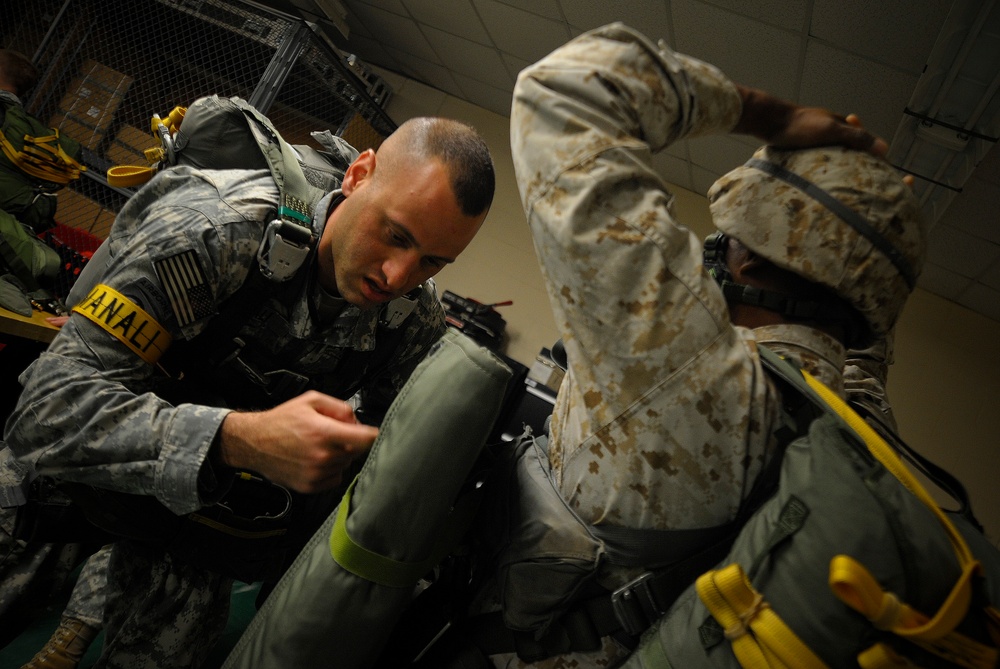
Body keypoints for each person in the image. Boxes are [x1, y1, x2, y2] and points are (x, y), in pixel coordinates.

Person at [477, 22, 926, 667]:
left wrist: (775, 117)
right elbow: (858, 322)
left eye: (730, 237)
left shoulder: (687, 360)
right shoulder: (854, 418)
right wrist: (873, 224)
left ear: (747, 262)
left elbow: (564, 92)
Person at [1, 111, 496, 669]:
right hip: (67, 472)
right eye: (396, 235)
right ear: (358, 176)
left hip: (195, 519)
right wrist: (238, 439)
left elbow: (386, 463)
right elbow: (42, 412)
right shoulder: (216, 228)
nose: (397, 275)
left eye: (431, 260)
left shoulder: (409, 320)